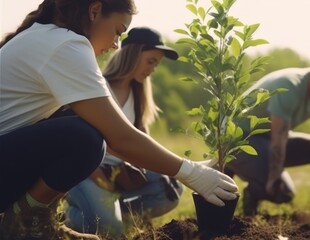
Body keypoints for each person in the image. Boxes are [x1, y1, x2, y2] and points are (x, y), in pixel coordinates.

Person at [0, 1, 238, 239]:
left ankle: (35, 218)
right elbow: (119, 138)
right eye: (118, 31)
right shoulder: (66, 45)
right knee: (85, 138)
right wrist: (192, 173)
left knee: (82, 125)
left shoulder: (47, 37)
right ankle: (21, 222)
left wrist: (189, 169)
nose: (115, 44)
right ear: (94, 11)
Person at [64, 27, 184, 237]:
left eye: (157, 63)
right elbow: (78, 144)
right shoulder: (97, 87)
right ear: (133, 54)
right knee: (113, 232)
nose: (153, 69)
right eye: (151, 61)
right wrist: (102, 181)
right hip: (87, 170)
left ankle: (112, 213)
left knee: (171, 189)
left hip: (119, 172)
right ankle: (71, 217)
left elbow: (143, 144)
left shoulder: (138, 95)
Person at [225, 49, 310, 216]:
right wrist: (273, 177)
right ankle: (249, 188)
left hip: (267, 139)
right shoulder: (290, 85)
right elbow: (279, 135)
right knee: (282, 191)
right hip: (238, 137)